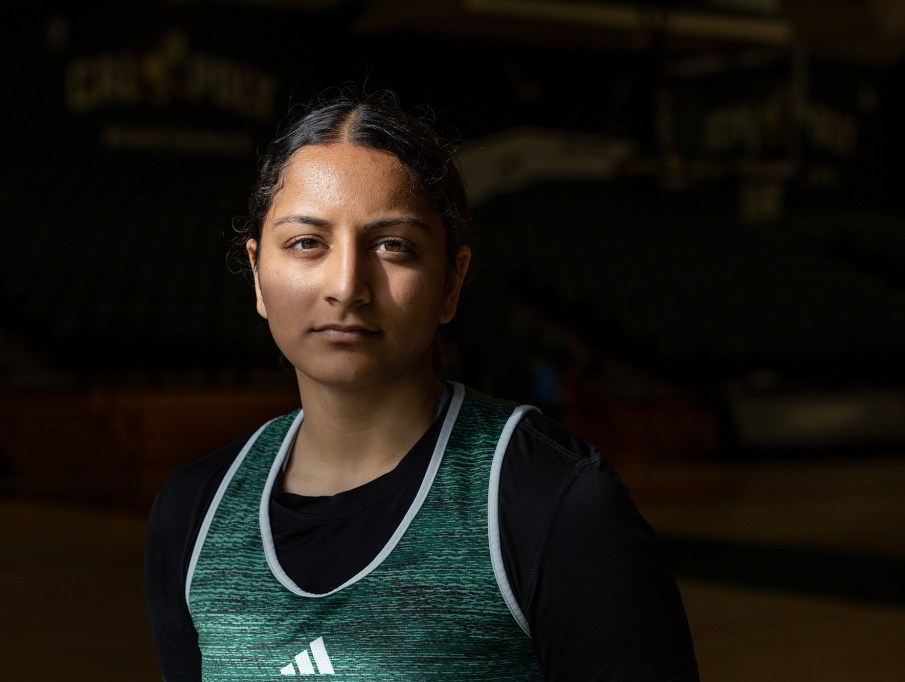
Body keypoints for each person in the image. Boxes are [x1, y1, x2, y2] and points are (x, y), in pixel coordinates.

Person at [144, 88, 700, 681]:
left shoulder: (555, 501)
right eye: (307, 242)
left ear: (451, 283)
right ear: (257, 274)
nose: (346, 286)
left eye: (392, 245)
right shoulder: (193, 513)